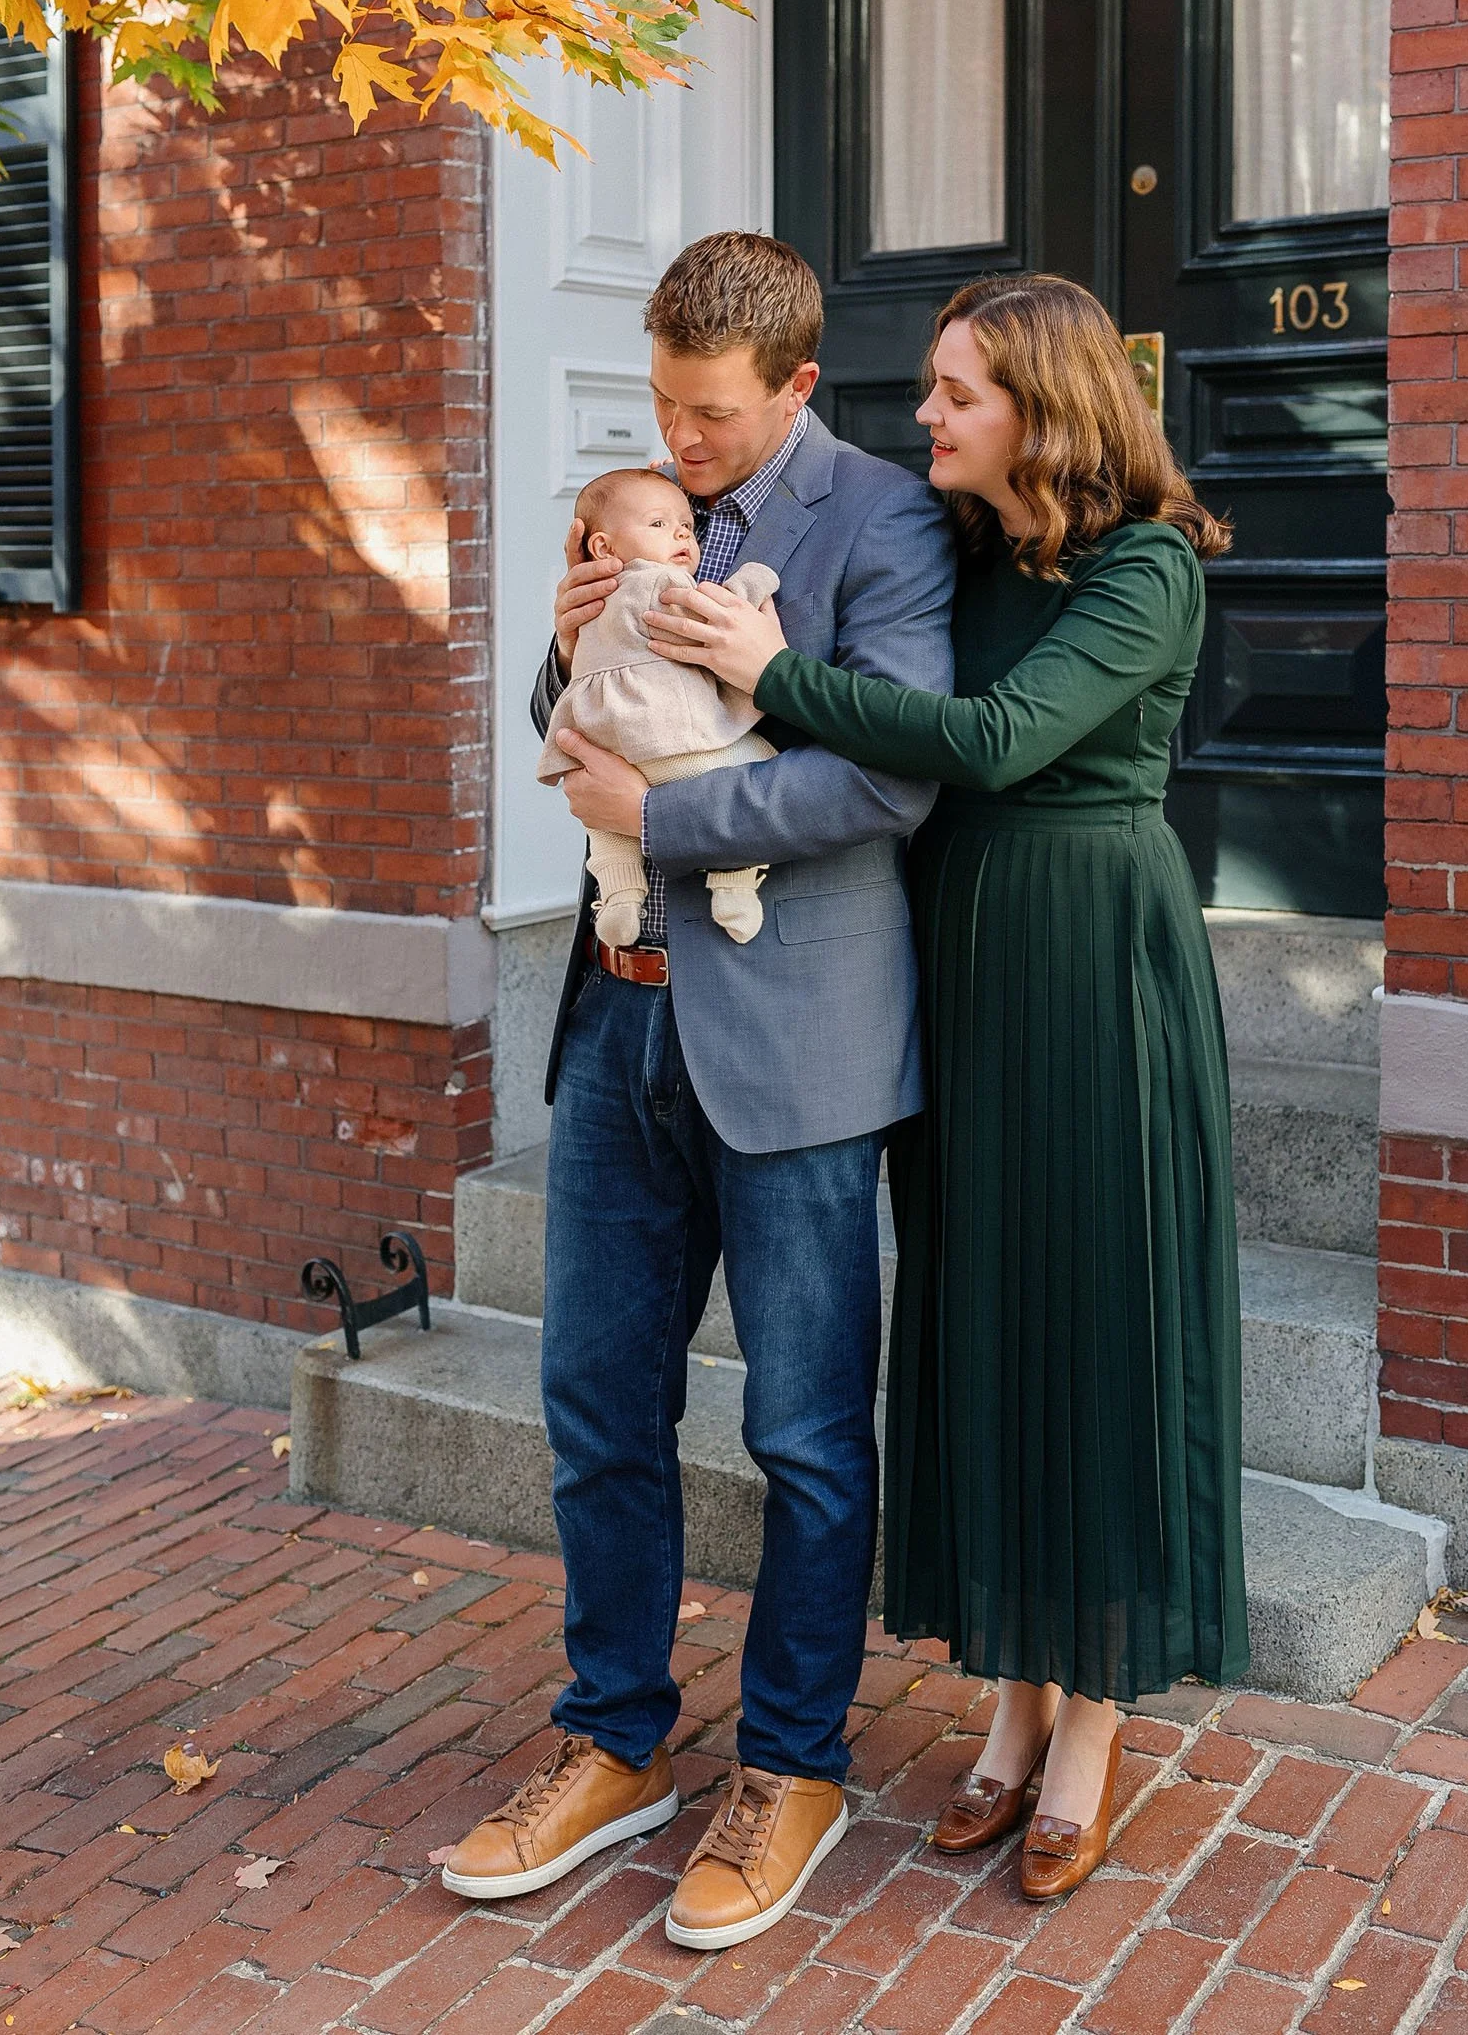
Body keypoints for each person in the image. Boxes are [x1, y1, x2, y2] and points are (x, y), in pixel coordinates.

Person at [647, 273, 1249, 1903]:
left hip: (1089, 973)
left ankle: (1092, 1724)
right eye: (926, 388)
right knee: (980, 1327)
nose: (921, 417)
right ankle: (1009, 1697)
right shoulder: (969, 549)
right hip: (960, 975)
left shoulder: (1145, 571)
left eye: (954, 393)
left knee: (1091, 1327)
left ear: (1042, 408)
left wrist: (777, 674)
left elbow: (985, 741)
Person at [440, 231, 954, 1947]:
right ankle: (615, 1743)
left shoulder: (879, 522)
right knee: (594, 1411)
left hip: (796, 1043)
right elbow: (572, 718)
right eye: (664, 403)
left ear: (797, 385)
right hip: (618, 1027)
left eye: (713, 411)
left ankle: (793, 1763)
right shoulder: (643, 492)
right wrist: (561, 636)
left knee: (805, 1435)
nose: (685, 434)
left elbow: (884, 776)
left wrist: (662, 819)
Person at [535, 466, 782, 948]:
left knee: (604, 821)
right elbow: (707, 615)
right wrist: (754, 583)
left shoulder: (598, 590)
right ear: (602, 547)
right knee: (749, 763)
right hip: (660, 729)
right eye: (658, 525)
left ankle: (621, 896)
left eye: (685, 526)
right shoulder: (655, 581)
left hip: (600, 734)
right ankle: (732, 884)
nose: (681, 535)